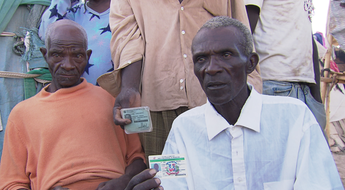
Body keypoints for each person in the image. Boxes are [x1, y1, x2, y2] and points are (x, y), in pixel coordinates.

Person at [121, 16, 345, 190]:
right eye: (201, 59)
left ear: (251, 63)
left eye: (226, 55)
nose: (212, 68)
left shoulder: (293, 118)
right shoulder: (184, 130)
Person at [0, 19, 146, 190]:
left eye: (77, 55)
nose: (67, 65)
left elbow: (138, 158)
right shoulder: (21, 114)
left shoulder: (110, 101)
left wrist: (123, 184)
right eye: (57, 55)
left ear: (88, 56)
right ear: (45, 55)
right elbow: (8, 188)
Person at [97, 0, 263, 160]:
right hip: (160, 101)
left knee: (226, 171)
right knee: (165, 180)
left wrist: (251, 94)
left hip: (220, 100)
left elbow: (241, 33)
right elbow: (127, 40)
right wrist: (129, 87)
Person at [245, 0, 327, 132]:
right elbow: (245, 28)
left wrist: (316, 97)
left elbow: (309, 39)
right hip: (274, 84)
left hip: (306, 88)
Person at [39, 0, 112, 85]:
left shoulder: (124, 14)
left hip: (114, 94)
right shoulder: (73, 13)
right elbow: (48, 34)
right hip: (75, 93)